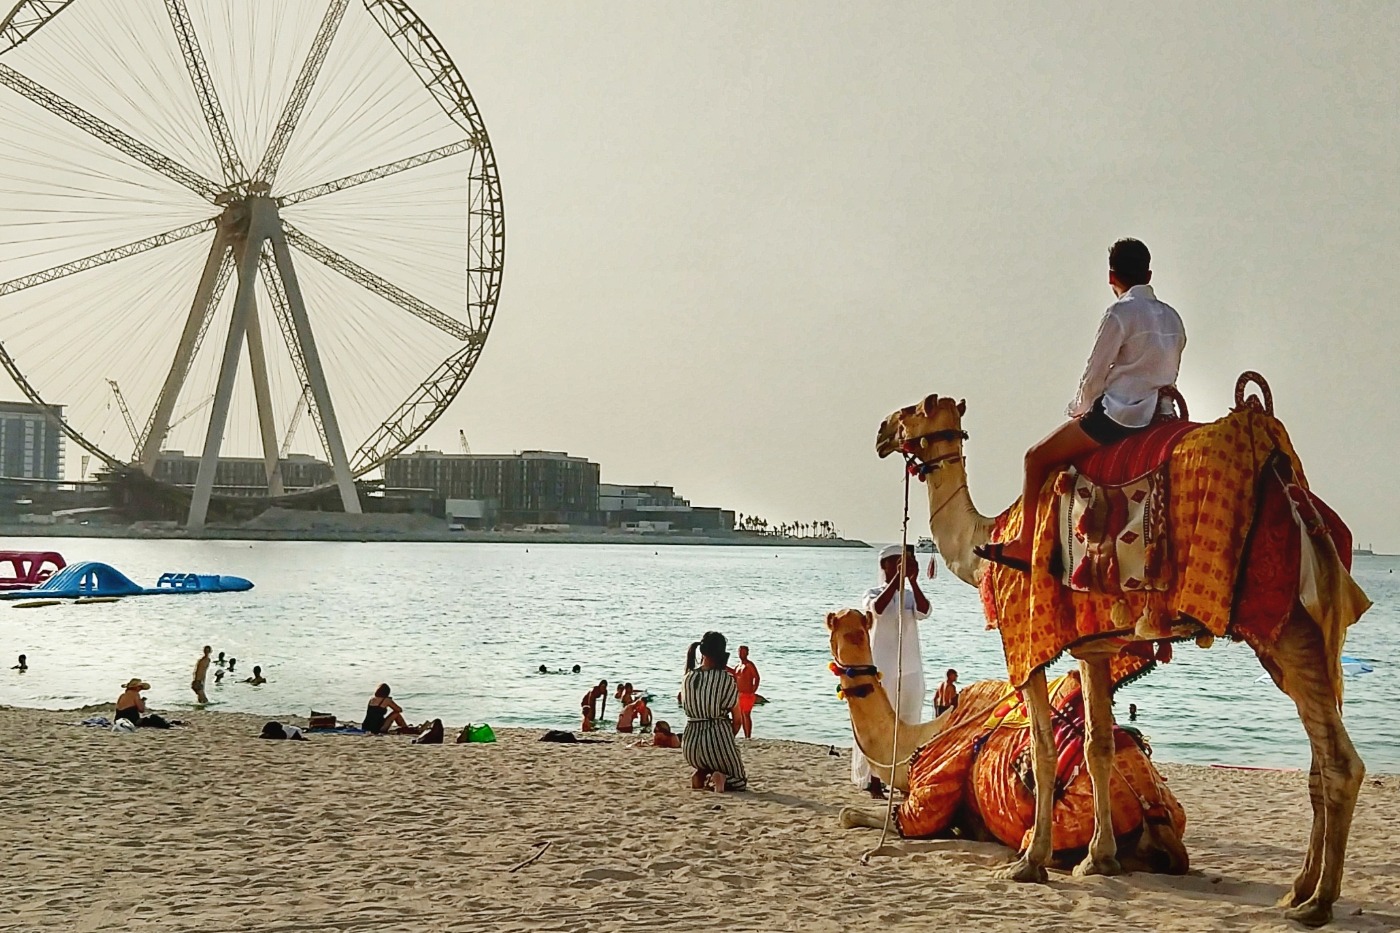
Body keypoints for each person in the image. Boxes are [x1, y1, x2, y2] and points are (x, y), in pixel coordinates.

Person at [976, 238, 1186, 572]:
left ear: (1110, 277)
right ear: (1148, 273)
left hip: (1120, 417)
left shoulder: (1120, 313)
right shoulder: (1173, 319)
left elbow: (1094, 375)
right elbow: (1170, 372)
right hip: (1162, 414)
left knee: (1035, 458)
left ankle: (1024, 543)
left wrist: (1079, 408)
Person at [853, 543, 930, 799]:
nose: (901, 565)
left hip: (910, 668)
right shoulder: (872, 593)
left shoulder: (909, 596)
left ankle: (905, 776)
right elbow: (878, 609)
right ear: (884, 565)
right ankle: (875, 780)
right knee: (881, 723)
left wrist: (913, 582)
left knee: (909, 720)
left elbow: (924, 611)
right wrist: (897, 579)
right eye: (896, 562)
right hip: (883, 668)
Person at [680, 631, 747, 792]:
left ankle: (703, 774)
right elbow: (737, 720)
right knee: (739, 781)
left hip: (690, 745)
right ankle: (720, 776)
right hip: (716, 738)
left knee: (710, 760)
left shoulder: (687, 677)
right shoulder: (725, 679)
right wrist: (727, 741)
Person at [731, 645, 760, 739]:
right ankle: (744, 735)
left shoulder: (749, 665)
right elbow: (734, 675)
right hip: (739, 694)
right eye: (740, 652)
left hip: (747, 694)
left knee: (746, 714)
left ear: (747, 653)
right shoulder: (738, 666)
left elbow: (757, 677)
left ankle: (748, 736)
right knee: (741, 716)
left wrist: (753, 690)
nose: (741, 654)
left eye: (743, 652)